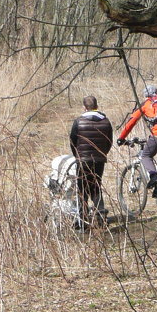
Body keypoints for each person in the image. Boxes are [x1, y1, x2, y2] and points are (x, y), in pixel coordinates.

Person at [116, 84, 157, 196]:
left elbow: (131, 122)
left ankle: (154, 178)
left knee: (145, 156)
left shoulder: (146, 104)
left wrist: (121, 138)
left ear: (145, 95)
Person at [69, 95, 113, 228]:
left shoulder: (79, 121)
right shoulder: (106, 122)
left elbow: (72, 141)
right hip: (99, 160)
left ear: (84, 107)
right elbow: (109, 142)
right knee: (96, 187)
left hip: (82, 160)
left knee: (82, 190)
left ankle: (82, 221)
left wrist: (77, 156)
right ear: (97, 106)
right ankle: (101, 219)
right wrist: (102, 154)